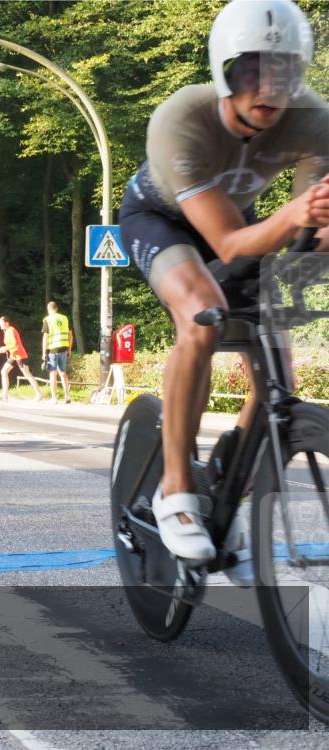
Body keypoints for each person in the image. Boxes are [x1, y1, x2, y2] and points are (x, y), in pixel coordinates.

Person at [118, 0, 329, 562]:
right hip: (162, 219)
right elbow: (232, 243)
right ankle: (176, 488)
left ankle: (226, 481)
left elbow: (309, 237)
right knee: (201, 317)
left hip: (245, 227)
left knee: (277, 355)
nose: (267, 88)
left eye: (283, 71)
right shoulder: (181, 117)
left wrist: (316, 231)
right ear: (223, 71)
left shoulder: (315, 120)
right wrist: (296, 218)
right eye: (250, 72)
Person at [0, 316, 43, 402]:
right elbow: (10, 345)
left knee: (27, 375)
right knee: (4, 372)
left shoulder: (11, 330)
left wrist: (3, 349)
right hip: (13, 355)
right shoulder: (6, 331)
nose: (0, 325)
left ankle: (39, 394)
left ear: (6, 323)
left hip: (20, 356)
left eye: (1, 323)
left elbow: (15, 344)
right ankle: (4, 396)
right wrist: (5, 348)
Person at [41, 301, 73, 404]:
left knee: (53, 374)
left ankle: (54, 398)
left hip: (53, 350)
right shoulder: (65, 318)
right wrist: (69, 349)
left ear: (48, 309)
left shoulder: (47, 319)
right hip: (63, 349)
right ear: (57, 308)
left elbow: (45, 338)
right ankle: (67, 396)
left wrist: (43, 352)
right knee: (63, 373)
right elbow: (70, 335)